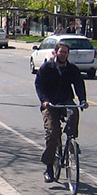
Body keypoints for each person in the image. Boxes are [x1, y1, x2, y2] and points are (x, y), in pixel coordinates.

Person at [34, 41, 88, 182]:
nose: (63, 54)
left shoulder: (72, 69)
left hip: (65, 100)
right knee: (53, 133)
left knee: (74, 111)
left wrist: (82, 100)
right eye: (61, 52)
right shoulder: (47, 67)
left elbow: (79, 84)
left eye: (65, 52)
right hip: (50, 103)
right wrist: (44, 100)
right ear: (56, 52)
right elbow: (39, 84)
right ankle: (49, 167)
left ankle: (71, 139)